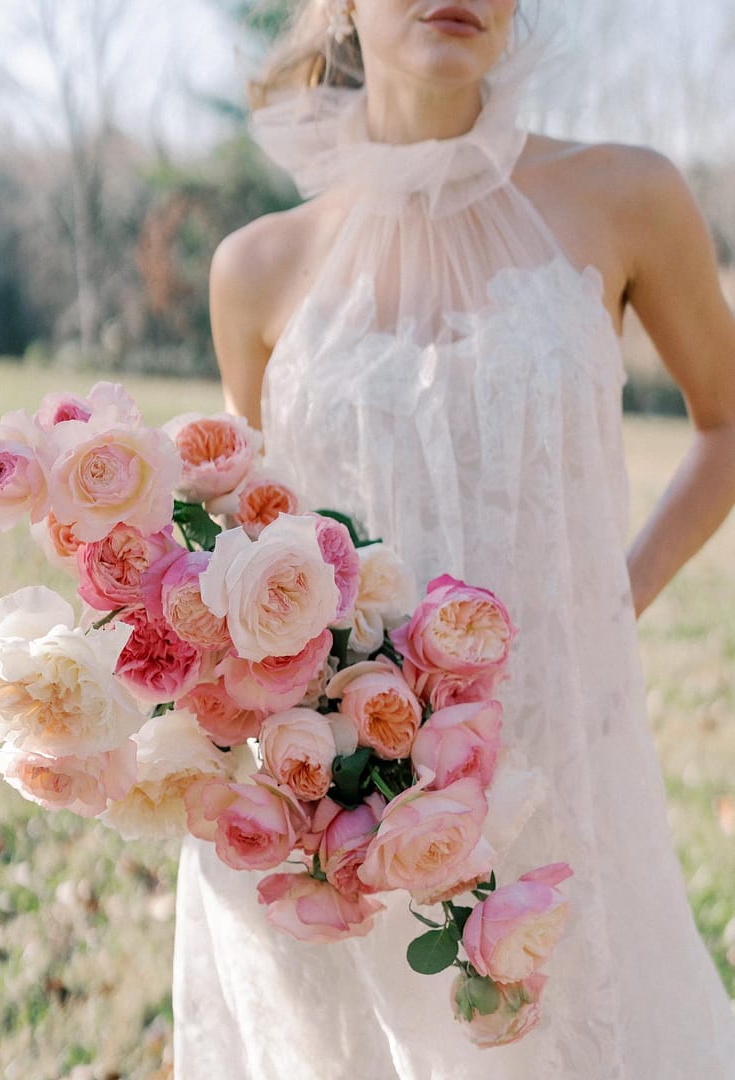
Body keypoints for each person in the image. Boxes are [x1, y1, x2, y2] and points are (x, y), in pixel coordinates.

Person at [173, 2, 735, 1077]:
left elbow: (727, 421)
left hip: (564, 749)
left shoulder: (625, 197)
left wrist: (609, 598)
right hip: (350, 797)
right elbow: (252, 542)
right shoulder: (256, 269)